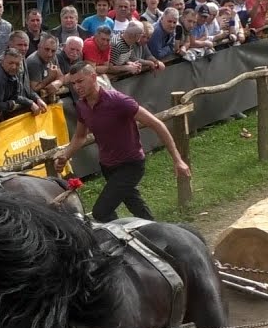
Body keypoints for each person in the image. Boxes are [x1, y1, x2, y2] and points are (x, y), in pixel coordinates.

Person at [55, 63, 191, 223]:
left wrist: (177, 160)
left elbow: (157, 124)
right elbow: (80, 136)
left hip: (131, 165)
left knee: (101, 212)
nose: (77, 87)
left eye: (80, 81)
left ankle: (120, 238)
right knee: (135, 205)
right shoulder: (81, 106)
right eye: (73, 83)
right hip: (107, 167)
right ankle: (157, 237)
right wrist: (65, 156)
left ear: (93, 77)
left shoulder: (119, 101)